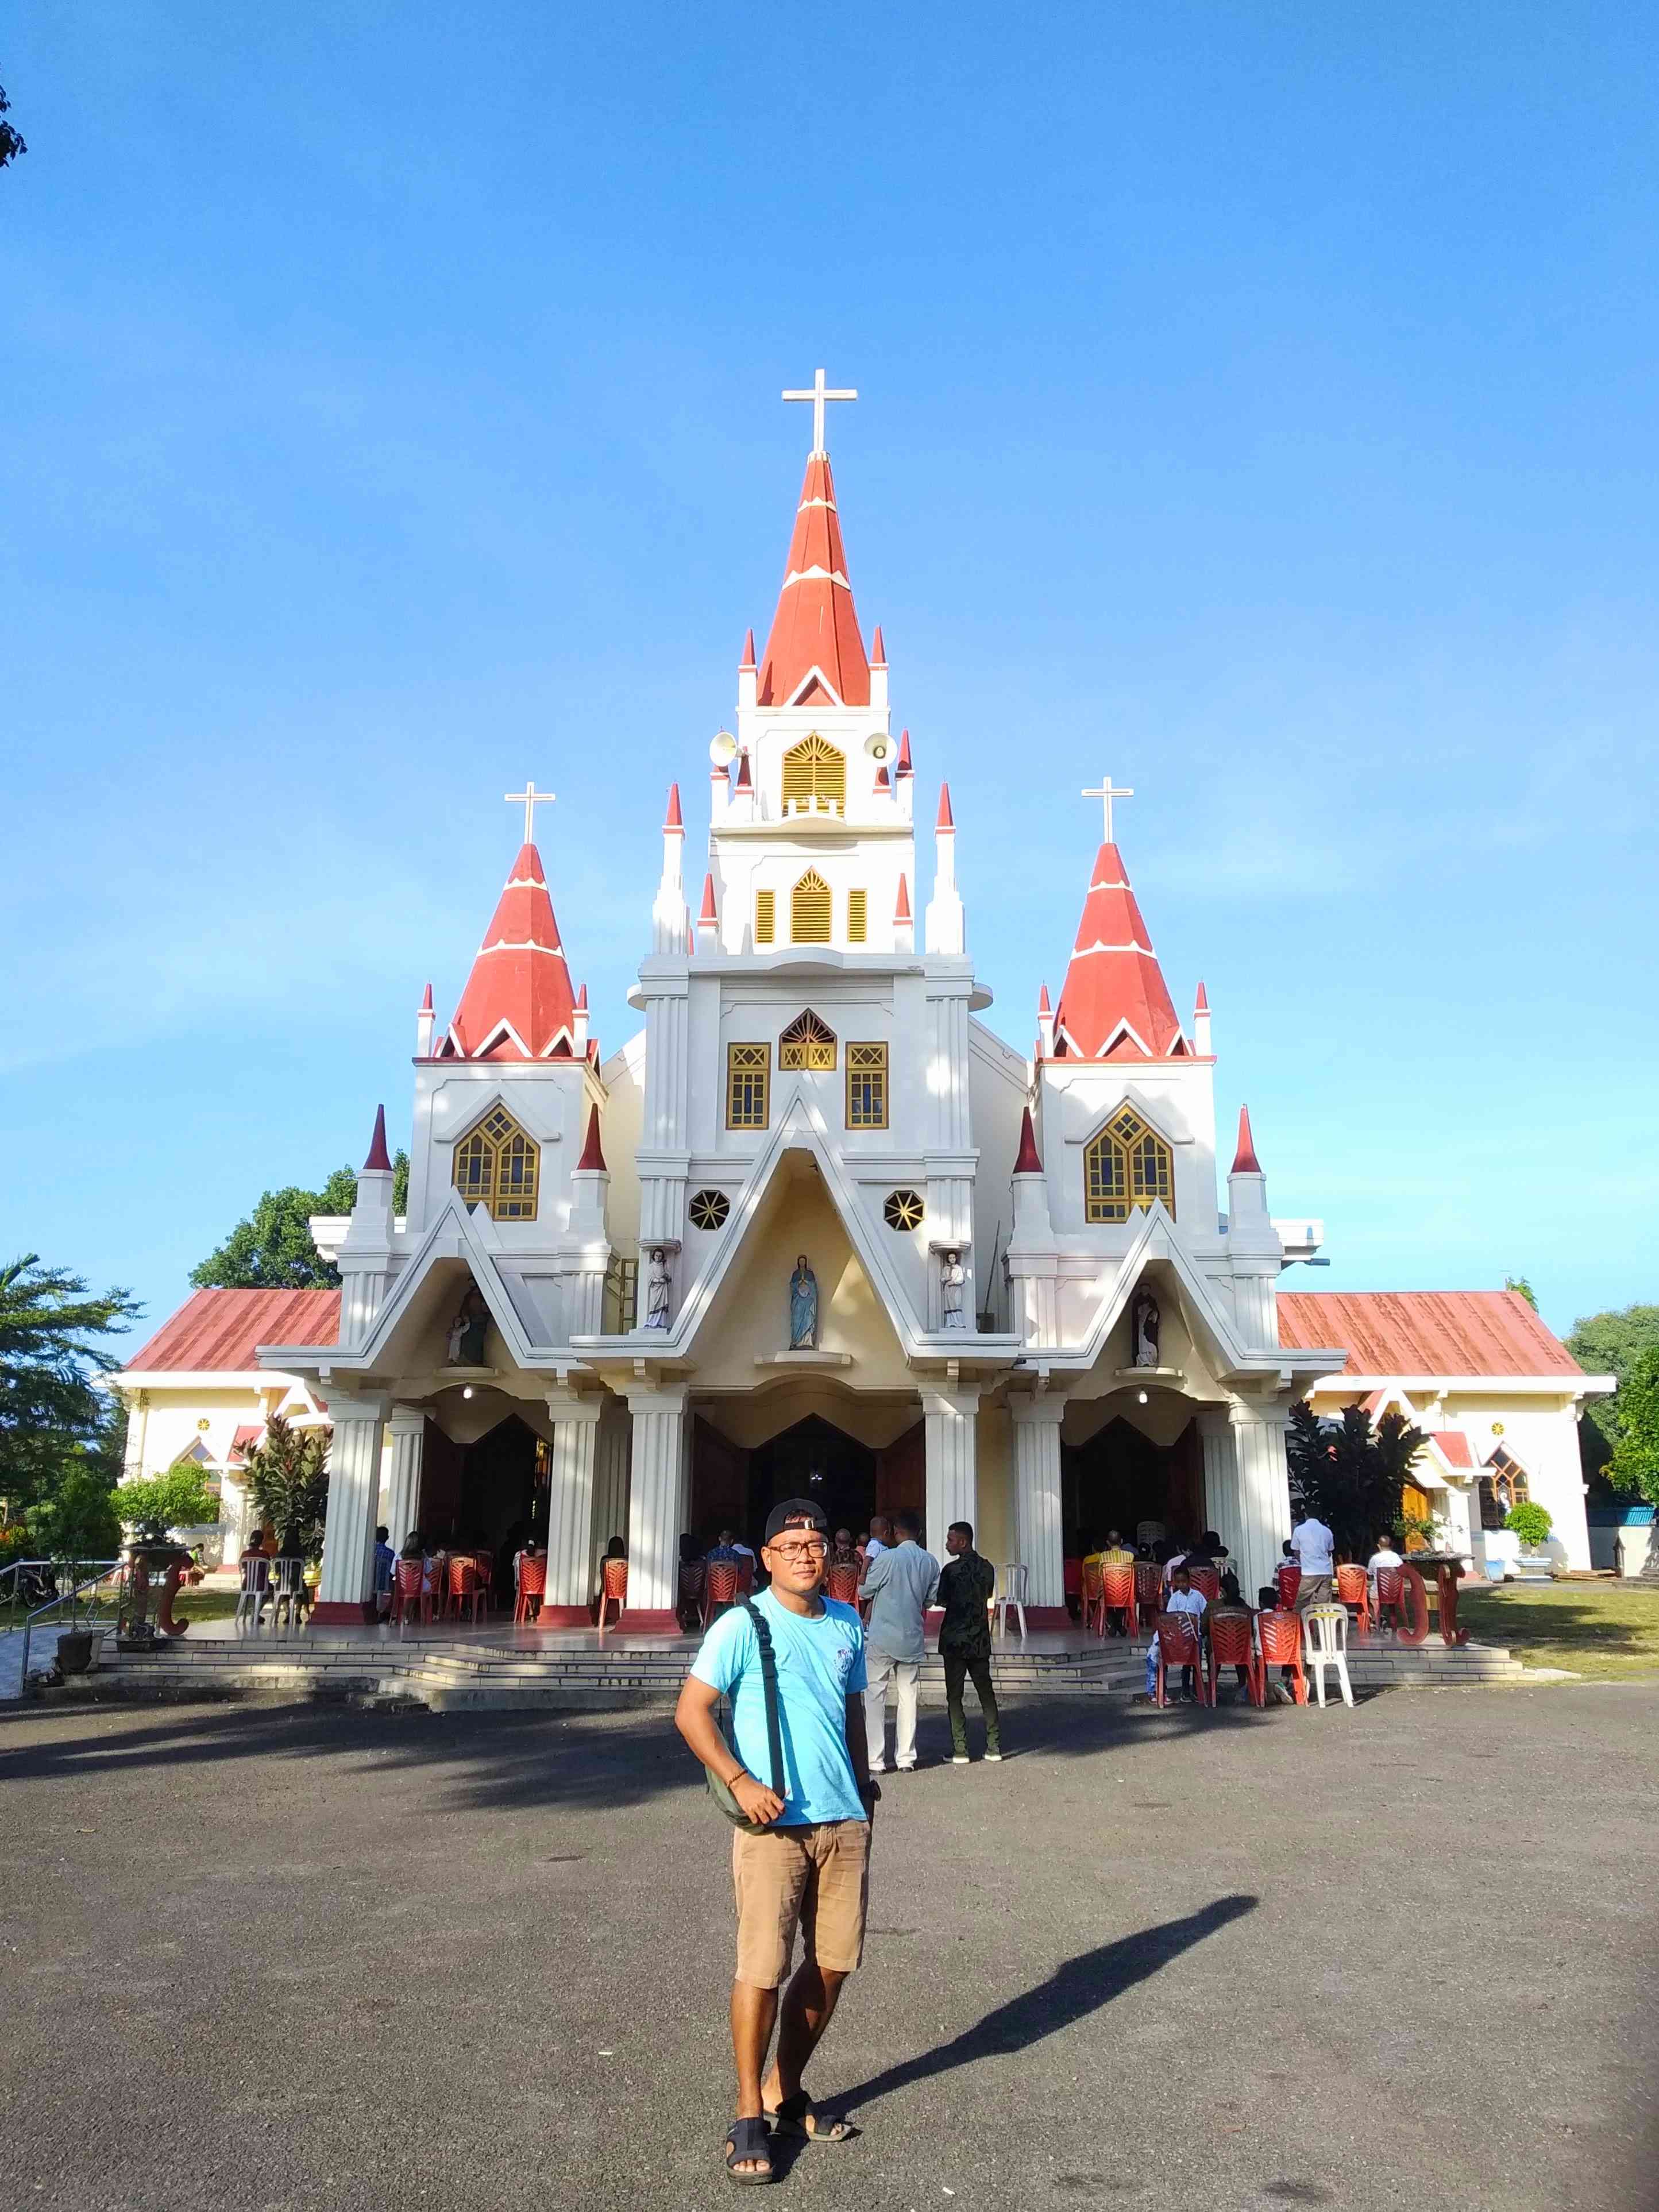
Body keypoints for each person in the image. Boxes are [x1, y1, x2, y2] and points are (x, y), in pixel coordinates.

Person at [674, 1498, 877, 2184]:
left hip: (842, 1818)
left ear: (831, 1554)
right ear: (765, 1557)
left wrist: (864, 1780)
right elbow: (691, 1710)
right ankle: (745, 2112)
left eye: (814, 1542)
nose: (804, 1553)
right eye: (789, 1544)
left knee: (834, 1961)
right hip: (772, 1823)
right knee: (762, 1966)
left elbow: (848, 1705)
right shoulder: (741, 1623)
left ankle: (784, 2091)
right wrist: (738, 1777)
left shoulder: (847, 1620)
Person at [858, 1510, 940, 1773]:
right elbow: (930, 1600)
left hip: (882, 1636)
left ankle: (876, 1760)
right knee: (909, 1698)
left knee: (874, 1697)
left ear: (895, 1532)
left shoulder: (887, 1558)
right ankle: (906, 1759)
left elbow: (865, 1590)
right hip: (911, 1638)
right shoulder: (930, 1562)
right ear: (921, 1533)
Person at [937, 1521, 1000, 1764]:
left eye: (950, 1540)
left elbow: (942, 1600)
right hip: (979, 1639)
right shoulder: (987, 1568)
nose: (947, 1544)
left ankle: (960, 1749)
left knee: (955, 1695)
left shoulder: (950, 1571)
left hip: (954, 1639)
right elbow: (987, 1595)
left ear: (963, 1542)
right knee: (987, 1693)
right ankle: (994, 1746)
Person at [1145, 1562, 1207, 1701]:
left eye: (1184, 1582)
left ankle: (1195, 1691)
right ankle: (1180, 1691)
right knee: (1176, 1663)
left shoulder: (1198, 1596)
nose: (1182, 1585)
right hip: (1178, 1637)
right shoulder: (1175, 1598)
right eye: (1179, 1582)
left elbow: (1205, 1612)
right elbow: (1171, 1618)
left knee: (1193, 1664)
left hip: (1194, 1637)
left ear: (1189, 1581)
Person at [1290, 1508, 1336, 1610]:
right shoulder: (1327, 1531)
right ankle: (1322, 1625)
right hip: (1326, 1572)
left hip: (1309, 1572)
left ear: (1306, 1515)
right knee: (1324, 1606)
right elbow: (1330, 1552)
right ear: (1320, 1516)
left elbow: (1296, 1550)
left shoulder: (1299, 1530)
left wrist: (1304, 1561)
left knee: (1302, 1604)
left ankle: (1299, 1625)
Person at [1367, 1530, 1405, 1628]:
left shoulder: (1375, 1558)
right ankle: (1391, 1624)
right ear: (1391, 1546)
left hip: (1379, 1592)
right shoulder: (1398, 1558)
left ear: (1379, 1546)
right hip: (1395, 1592)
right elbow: (1402, 1572)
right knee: (1390, 1604)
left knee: (1367, 1595)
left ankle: (1376, 1620)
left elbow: (1370, 1573)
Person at [371, 1524, 396, 1622]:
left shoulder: (371, 1551)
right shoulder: (390, 1553)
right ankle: (388, 1611)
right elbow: (393, 1572)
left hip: (370, 1582)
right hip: (385, 1583)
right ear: (387, 1538)